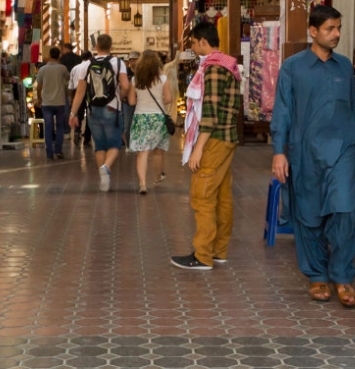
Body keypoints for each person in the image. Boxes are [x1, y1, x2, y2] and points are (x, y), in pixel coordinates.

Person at [271, 3, 355, 307]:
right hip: (305, 152)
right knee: (308, 214)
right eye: (330, 29)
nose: (336, 34)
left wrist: (354, 145)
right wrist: (278, 152)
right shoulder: (293, 67)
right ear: (313, 31)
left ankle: (341, 274)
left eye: (338, 28)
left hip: (343, 151)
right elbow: (282, 111)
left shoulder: (345, 66)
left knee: (346, 210)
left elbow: (352, 108)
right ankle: (317, 275)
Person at [172, 21, 242, 270]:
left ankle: (202, 256)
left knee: (202, 197)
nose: (192, 47)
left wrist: (198, 148)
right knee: (222, 197)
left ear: (203, 41)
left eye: (192, 42)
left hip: (213, 140)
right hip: (228, 138)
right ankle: (218, 251)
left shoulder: (212, 70)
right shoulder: (229, 66)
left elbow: (209, 114)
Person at [69, 33, 131, 192]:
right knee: (115, 144)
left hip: (93, 110)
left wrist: (73, 113)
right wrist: (122, 96)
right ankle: (106, 167)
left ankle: (104, 178)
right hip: (112, 109)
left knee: (100, 146)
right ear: (111, 47)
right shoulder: (118, 63)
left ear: (96, 47)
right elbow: (125, 85)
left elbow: (80, 92)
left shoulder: (86, 64)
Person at [128, 50, 174, 194]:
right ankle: (157, 177)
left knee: (143, 152)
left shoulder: (135, 80)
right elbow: (168, 99)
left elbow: (131, 101)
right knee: (158, 151)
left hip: (141, 117)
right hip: (158, 118)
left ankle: (142, 184)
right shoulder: (163, 79)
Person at [36, 48, 71, 160]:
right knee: (60, 126)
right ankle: (58, 150)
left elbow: (39, 86)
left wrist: (39, 99)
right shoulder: (62, 68)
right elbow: (68, 79)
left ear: (50, 55)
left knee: (48, 127)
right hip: (60, 102)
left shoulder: (42, 69)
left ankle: (49, 153)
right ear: (59, 56)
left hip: (46, 103)